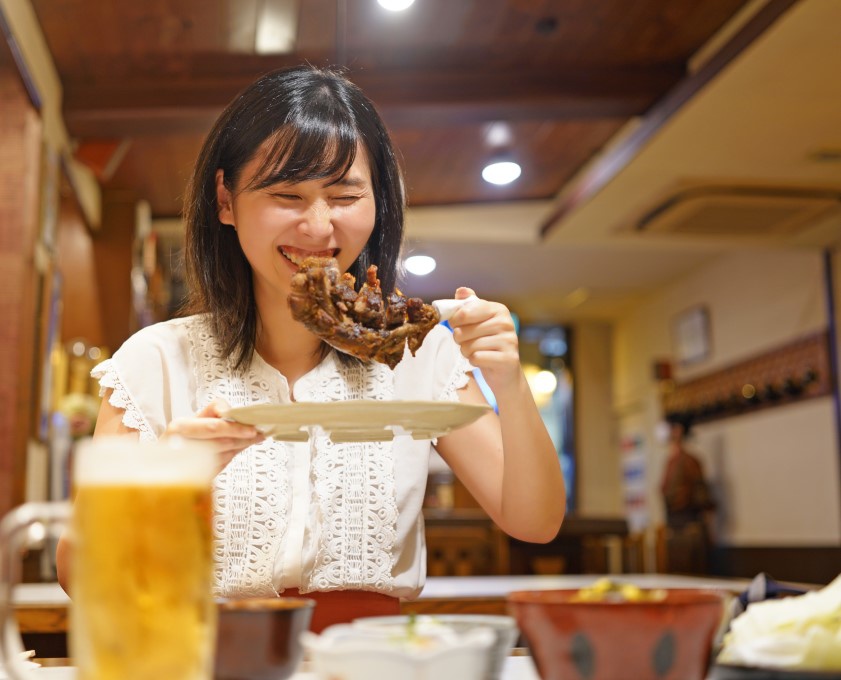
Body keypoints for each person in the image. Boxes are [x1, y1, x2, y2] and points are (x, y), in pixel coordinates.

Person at [55, 65, 566, 631]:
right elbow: (81, 576)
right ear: (226, 199)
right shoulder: (154, 361)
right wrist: (166, 478)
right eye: (286, 194)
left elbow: (534, 521)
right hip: (210, 656)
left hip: (374, 660)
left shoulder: (419, 354)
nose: (319, 227)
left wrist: (511, 384)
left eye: (345, 194)